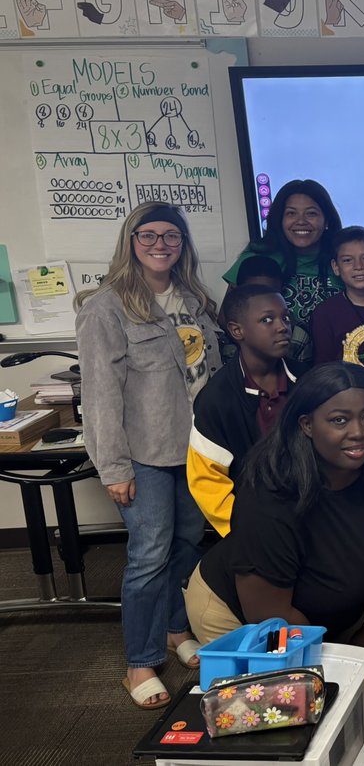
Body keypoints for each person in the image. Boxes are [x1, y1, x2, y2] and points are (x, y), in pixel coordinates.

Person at [76, 202, 221, 710]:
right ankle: (139, 661)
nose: (161, 244)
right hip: (144, 455)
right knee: (149, 556)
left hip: (196, 451)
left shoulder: (196, 299)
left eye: (172, 236)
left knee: (187, 544)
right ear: (130, 240)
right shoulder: (107, 307)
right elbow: (99, 395)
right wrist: (113, 467)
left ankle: (176, 632)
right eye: (149, 235)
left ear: (183, 244)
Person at [183, 363, 364, 650]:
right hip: (246, 619)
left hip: (330, 615)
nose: (359, 432)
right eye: (339, 420)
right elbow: (271, 618)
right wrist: (339, 655)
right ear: (306, 425)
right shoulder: (269, 497)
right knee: (295, 693)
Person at [188, 284, 300, 536]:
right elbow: (208, 483)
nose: (282, 326)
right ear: (237, 330)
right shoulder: (215, 400)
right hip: (255, 528)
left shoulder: (308, 382)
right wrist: (246, 533)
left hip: (313, 516)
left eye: (285, 317)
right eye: (267, 320)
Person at [224, 179, 345, 363]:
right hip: (274, 371)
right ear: (279, 219)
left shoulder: (342, 259)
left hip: (334, 368)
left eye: (311, 214)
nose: (301, 221)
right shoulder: (258, 256)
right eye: (291, 213)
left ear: (326, 220)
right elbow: (227, 315)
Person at [310, 226, 364, 379]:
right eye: (348, 260)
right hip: (351, 398)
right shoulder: (325, 314)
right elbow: (324, 372)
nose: (359, 267)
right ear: (336, 267)